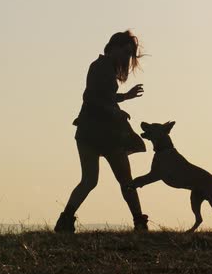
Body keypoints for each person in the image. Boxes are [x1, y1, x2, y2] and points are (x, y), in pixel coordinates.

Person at [54, 30, 148, 233]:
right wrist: (117, 112)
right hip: (103, 134)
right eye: (125, 51)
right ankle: (139, 222)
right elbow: (92, 98)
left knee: (90, 180)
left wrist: (123, 99)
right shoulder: (101, 67)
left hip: (90, 132)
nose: (127, 57)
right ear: (113, 48)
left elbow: (101, 97)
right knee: (123, 180)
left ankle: (66, 220)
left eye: (129, 53)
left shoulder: (103, 67)